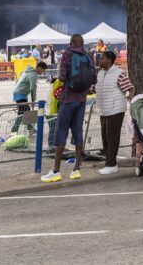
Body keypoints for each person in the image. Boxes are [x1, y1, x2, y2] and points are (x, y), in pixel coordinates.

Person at [42, 33, 96, 183]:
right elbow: (94, 78)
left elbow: (62, 77)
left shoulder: (67, 54)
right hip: (82, 100)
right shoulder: (88, 56)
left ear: (70, 43)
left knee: (61, 132)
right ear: (82, 43)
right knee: (78, 132)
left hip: (68, 99)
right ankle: (76, 170)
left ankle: (56, 171)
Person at [95, 50, 133, 175]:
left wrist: (130, 96)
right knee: (105, 137)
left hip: (115, 109)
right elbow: (95, 88)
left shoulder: (119, 73)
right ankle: (110, 163)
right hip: (103, 110)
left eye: (102, 58)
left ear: (109, 60)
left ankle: (111, 164)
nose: (100, 60)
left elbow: (130, 87)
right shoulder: (100, 73)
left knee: (112, 137)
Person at [11, 60, 47, 133]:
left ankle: (29, 128)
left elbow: (18, 81)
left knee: (25, 111)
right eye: (43, 71)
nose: (42, 73)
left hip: (21, 93)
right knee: (23, 112)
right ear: (39, 68)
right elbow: (33, 88)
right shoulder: (33, 74)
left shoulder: (28, 71)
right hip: (20, 93)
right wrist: (33, 100)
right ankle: (15, 130)